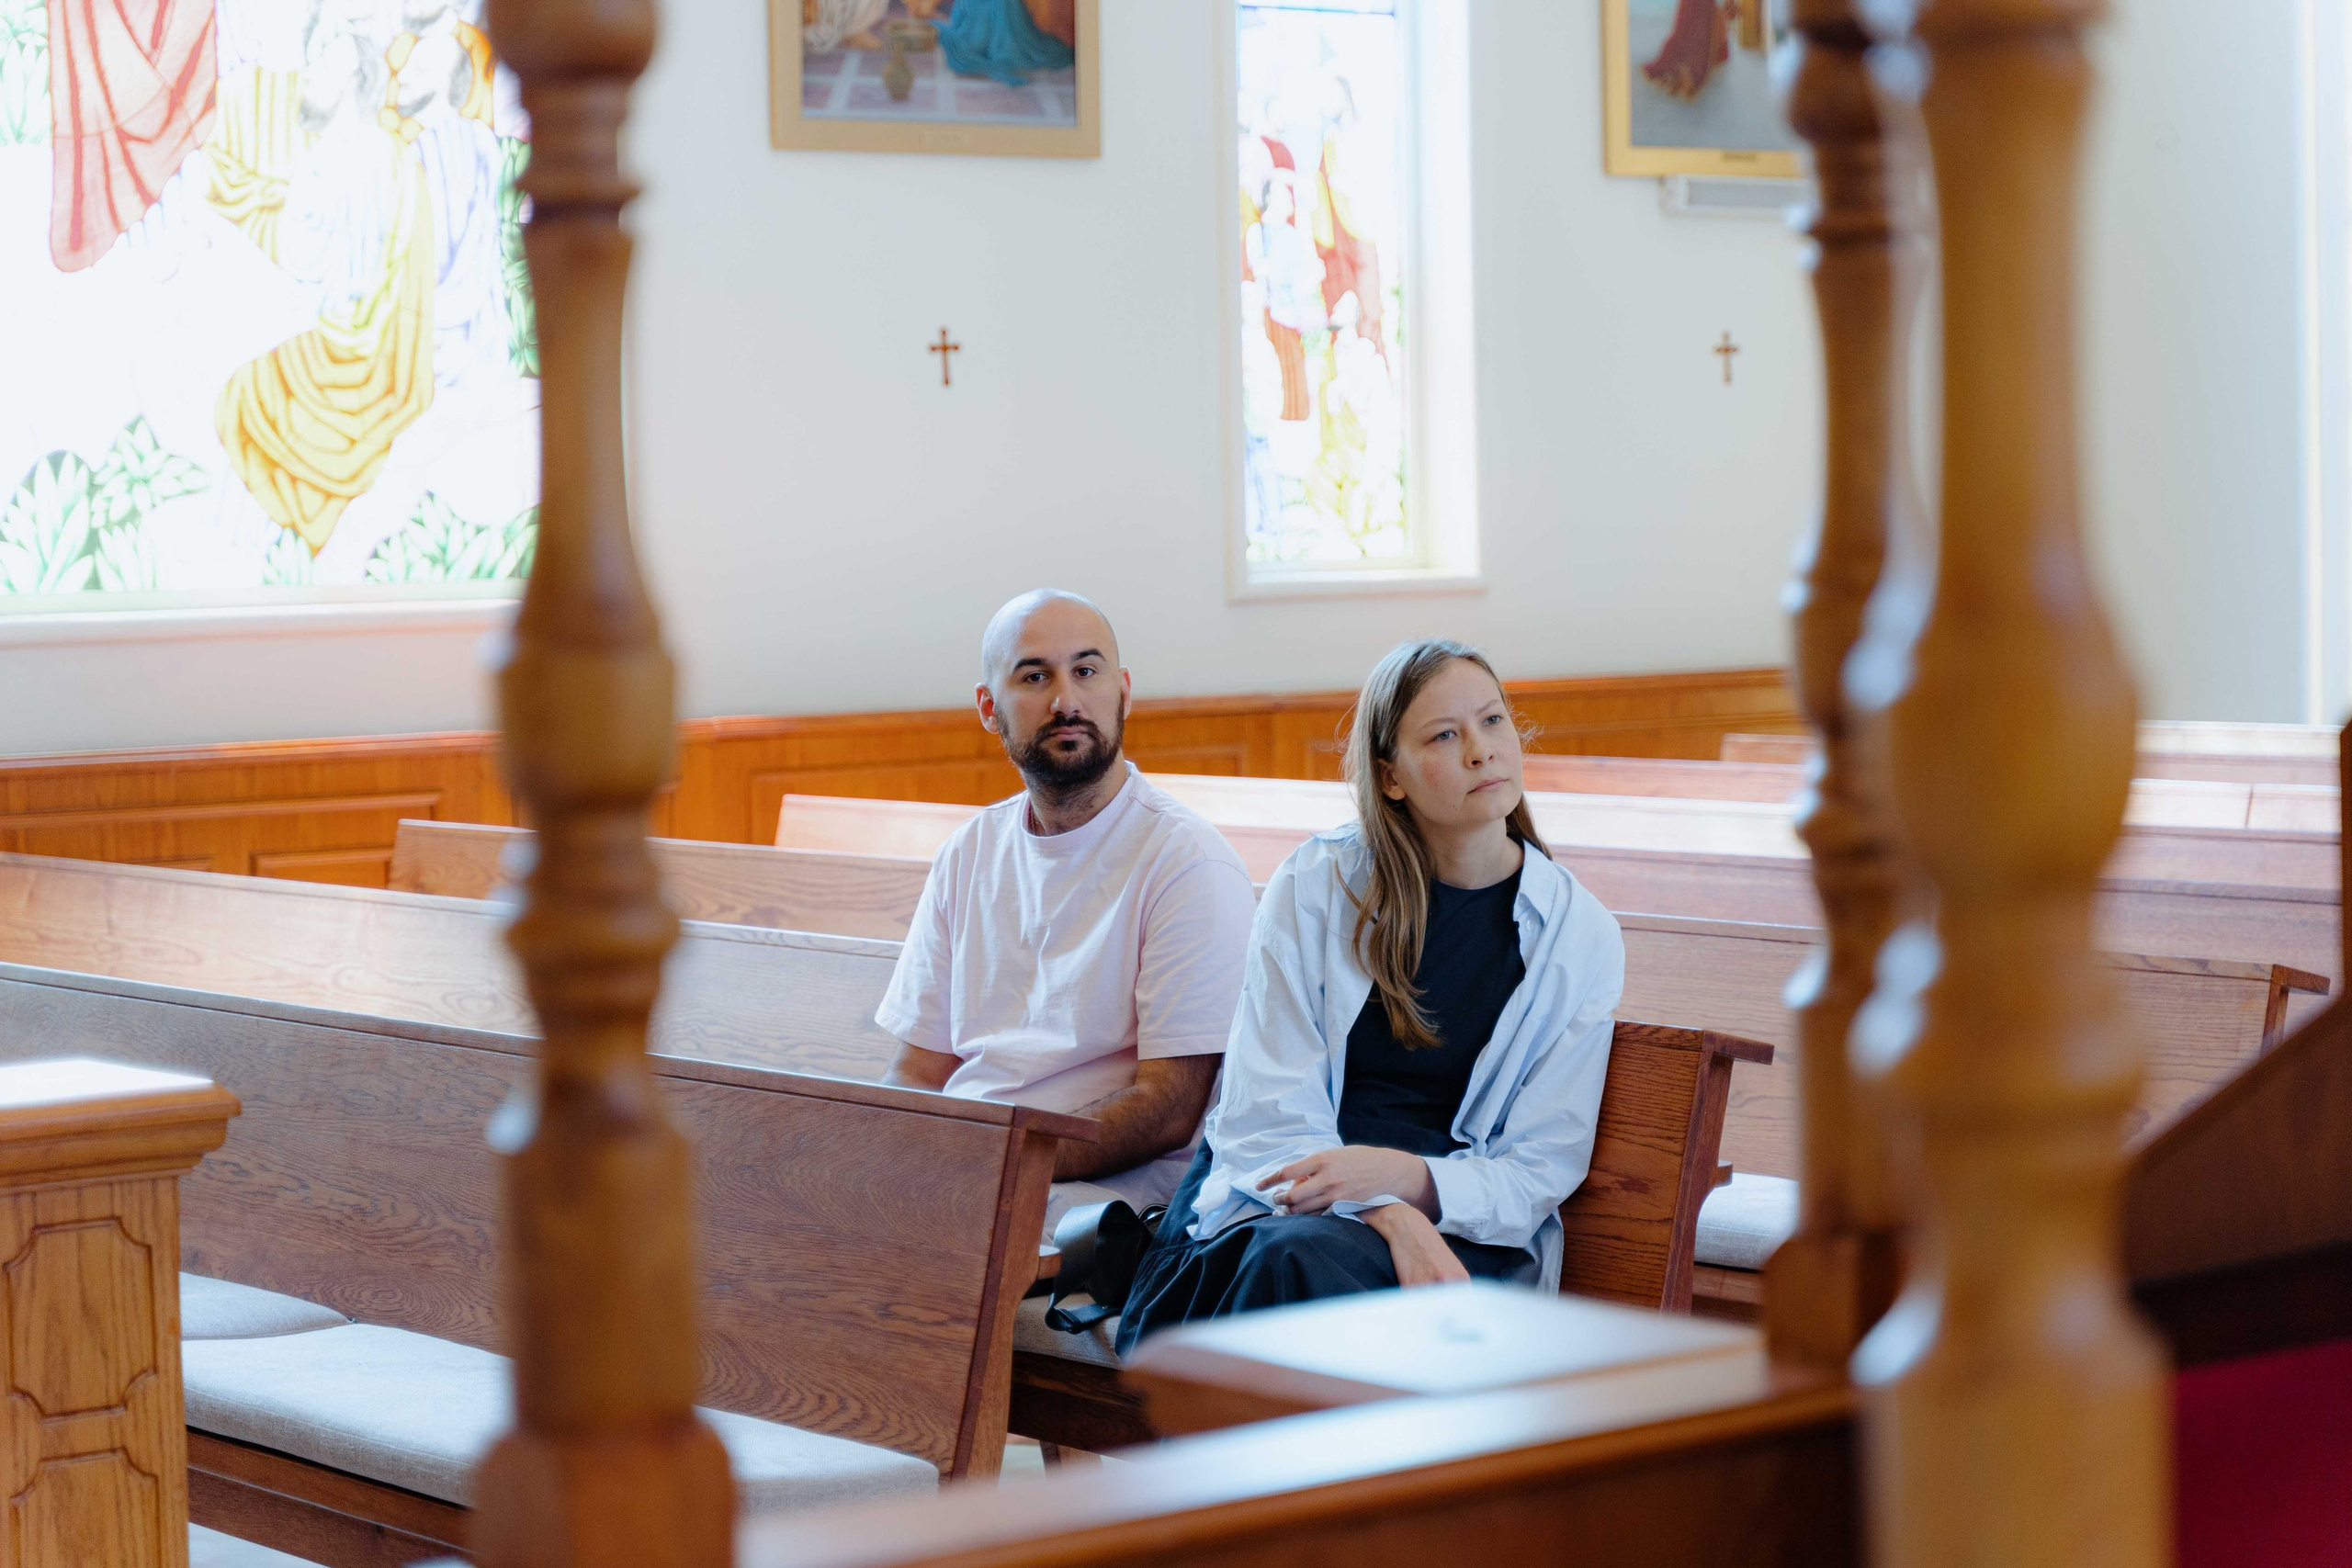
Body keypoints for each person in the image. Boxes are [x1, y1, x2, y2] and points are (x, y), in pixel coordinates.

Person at [1117, 639, 1624, 1352]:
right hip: (1279, 1197)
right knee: (1288, 1260)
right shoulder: (1318, 884)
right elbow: (1264, 1112)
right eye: (1445, 735)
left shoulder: (1577, 934)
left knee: (1292, 1275)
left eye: (1493, 721)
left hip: (1460, 1229)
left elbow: (1539, 1167)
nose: (1481, 751)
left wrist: (1407, 1184)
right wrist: (1388, 1209)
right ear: (1390, 776)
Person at [876, 591, 1258, 1234]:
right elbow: (916, 1069)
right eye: (1035, 676)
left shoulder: (1185, 858)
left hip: (1108, 1190)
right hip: (970, 1167)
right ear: (988, 708)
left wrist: (993, 1161)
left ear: (1124, 691)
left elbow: (1170, 1107)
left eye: (1086, 671)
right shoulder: (968, 854)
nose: (1066, 701)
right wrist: (885, 1151)